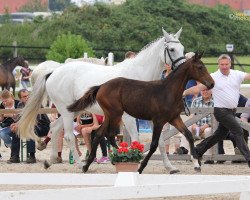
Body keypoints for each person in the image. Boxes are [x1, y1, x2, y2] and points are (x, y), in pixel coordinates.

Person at [183, 54, 250, 167]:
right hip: (220, 111)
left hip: (231, 111)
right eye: (222, 64)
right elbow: (198, 88)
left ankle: (197, 150)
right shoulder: (213, 77)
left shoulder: (237, 74)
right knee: (238, 130)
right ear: (218, 65)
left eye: (226, 64)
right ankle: (249, 159)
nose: (224, 66)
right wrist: (183, 93)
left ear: (230, 64)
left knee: (219, 135)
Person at [177, 89, 214, 164]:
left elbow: (217, 118)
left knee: (208, 131)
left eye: (207, 90)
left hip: (209, 126)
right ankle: (184, 149)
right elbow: (191, 116)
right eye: (203, 90)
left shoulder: (215, 102)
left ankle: (209, 157)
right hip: (196, 127)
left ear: (212, 91)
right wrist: (193, 124)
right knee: (187, 128)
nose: (205, 92)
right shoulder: (196, 101)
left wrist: (207, 125)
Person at [161, 63, 180, 154]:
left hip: (174, 103)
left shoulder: (177, 75)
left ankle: (177, 149)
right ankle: (166, 150)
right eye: (167, 64)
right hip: (163, 103)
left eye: (170, 64)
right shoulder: (161, 75)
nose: (168, 66)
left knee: (175, 127)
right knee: (165, 128)